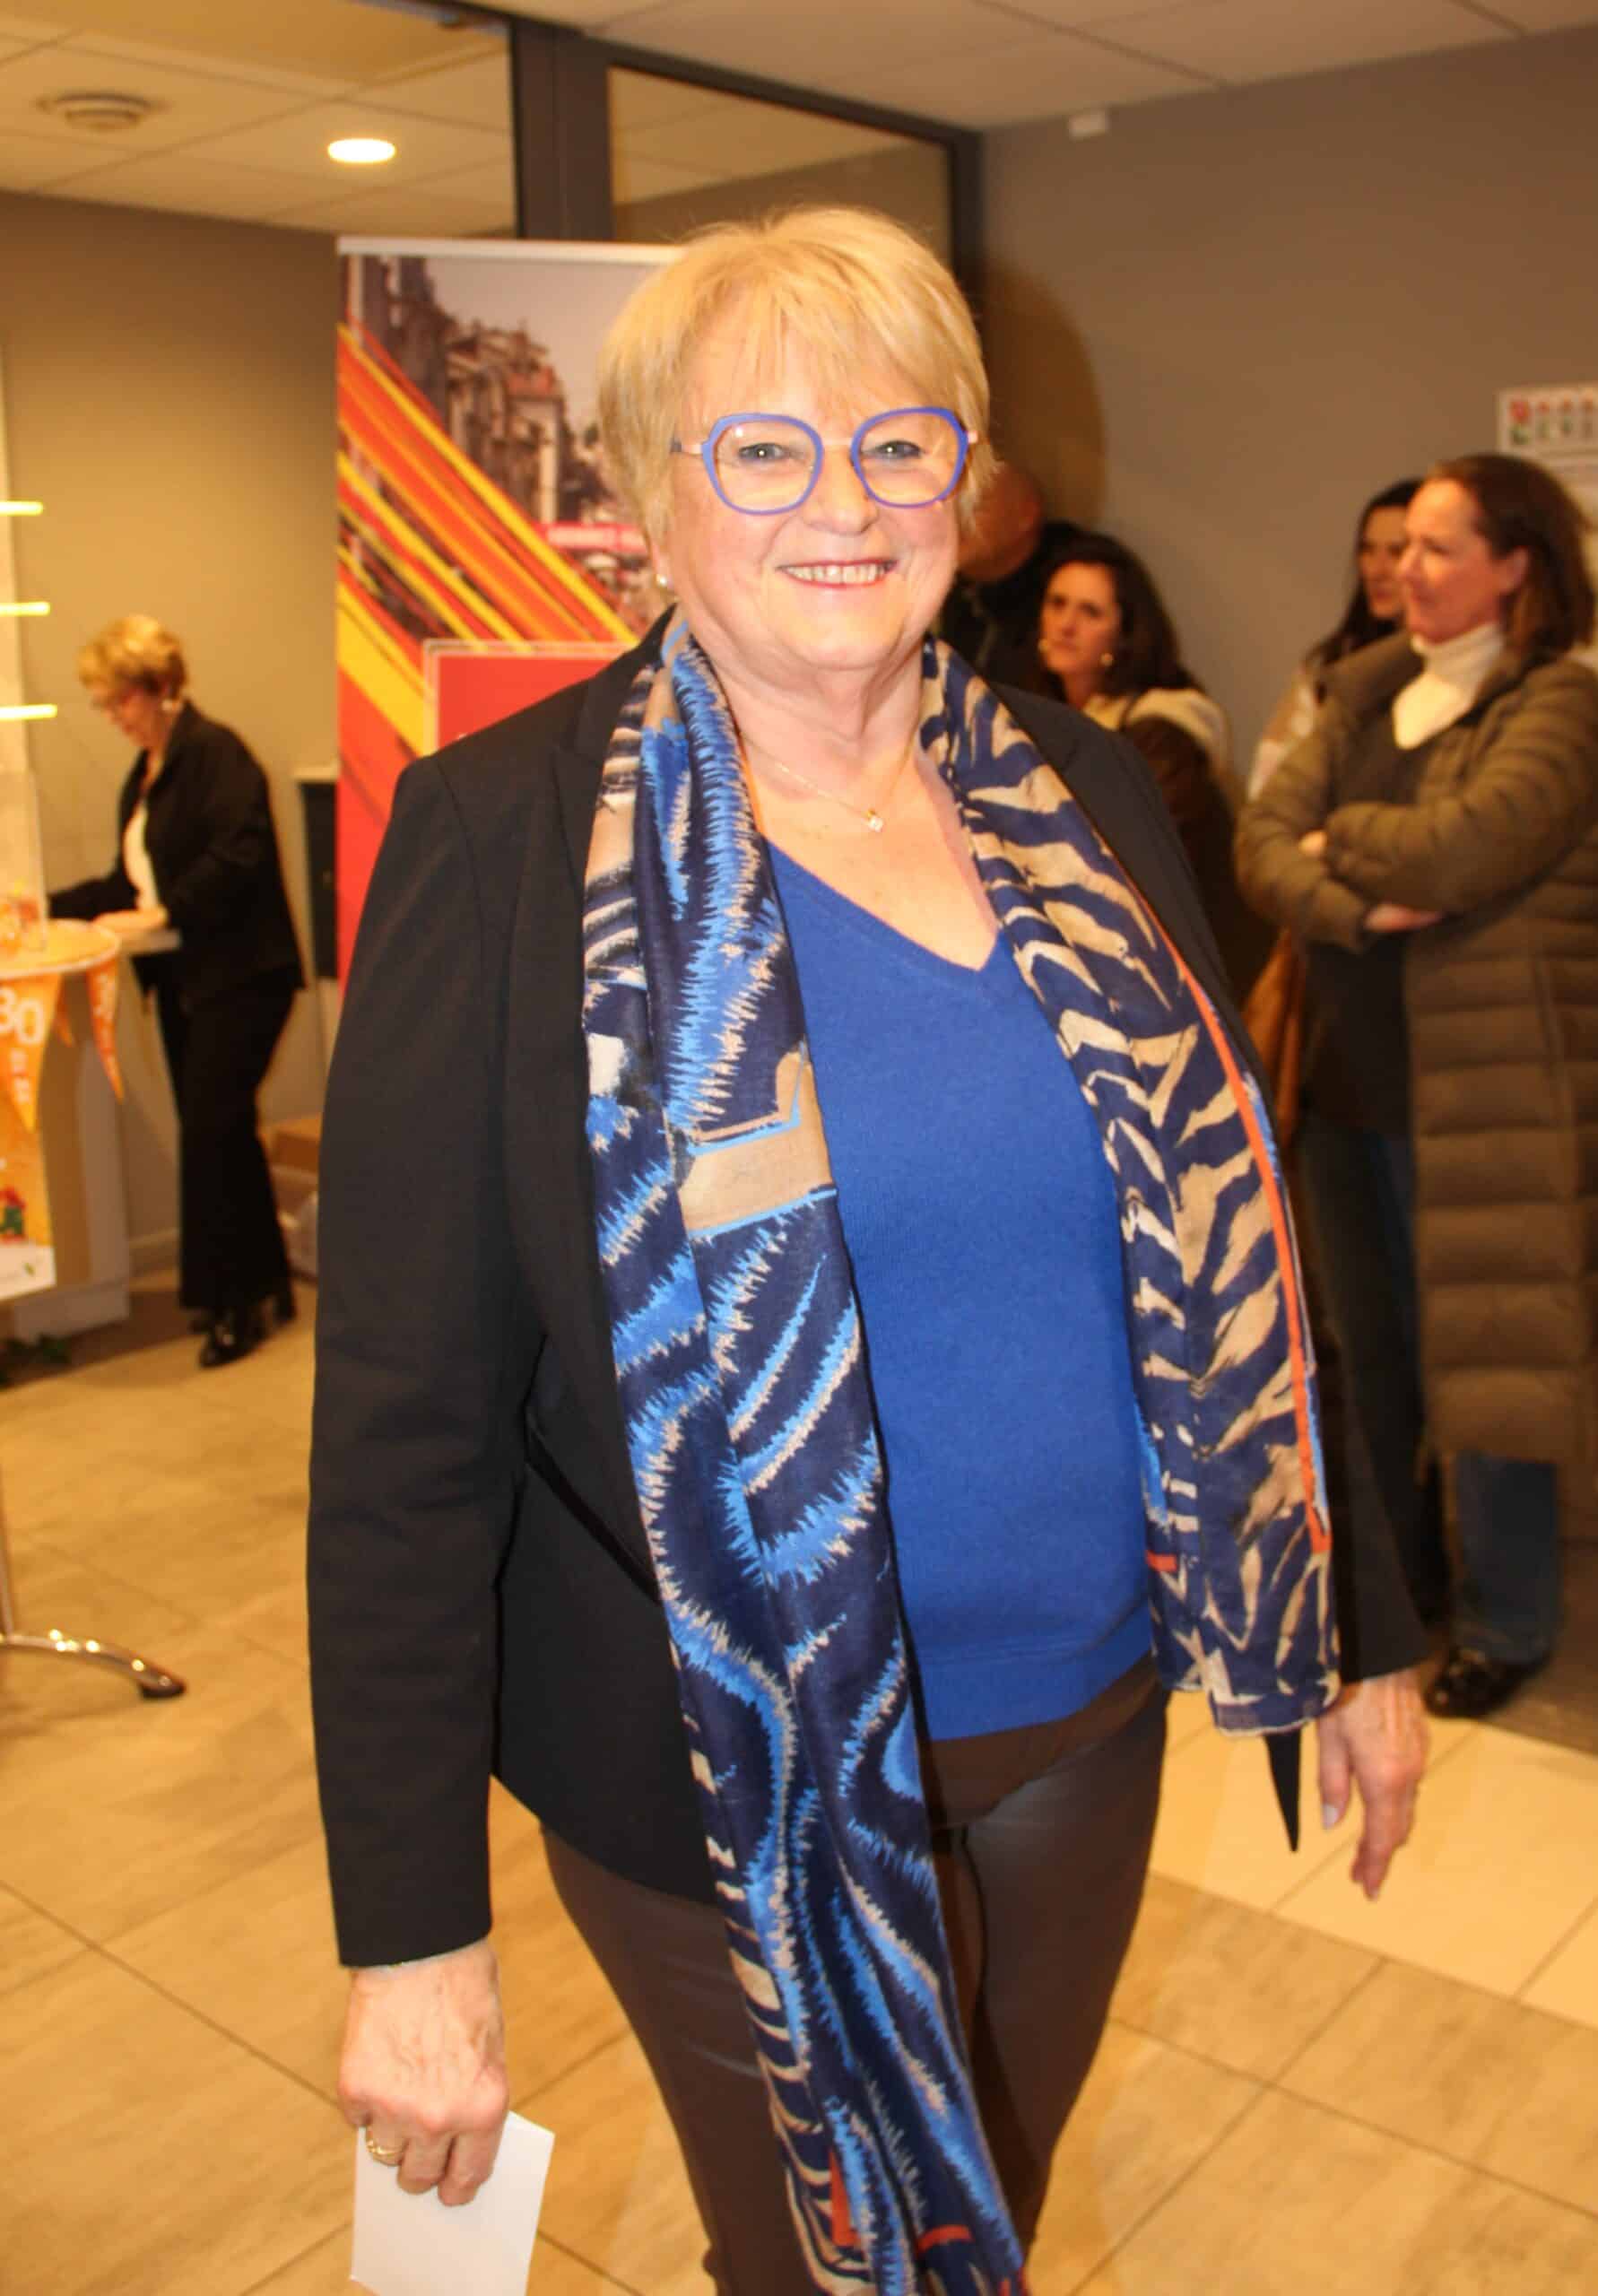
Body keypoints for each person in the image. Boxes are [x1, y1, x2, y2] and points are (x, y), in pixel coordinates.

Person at [308, 207, 1426, 2296]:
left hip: (1080, 1718)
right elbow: (400, 1433)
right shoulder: (502, 839)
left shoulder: (1080, 789)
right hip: (707, 1772)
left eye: (900, 444)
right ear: (649, 498)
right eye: (763, 449)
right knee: (828, 2265)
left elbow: (1244, 1235)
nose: (844, 503)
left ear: (968, 489)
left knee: (986, 2221)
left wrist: (1353, 1609)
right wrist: (412, 1938)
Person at [1236, 453, 1598, 1723]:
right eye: (1401, 548)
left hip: (1486, 1102)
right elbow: (1259, 842)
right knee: (1370, 1366)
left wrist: (1338, 837)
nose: (1406, 569)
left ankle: (1507, 1621)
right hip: (1345, 1089)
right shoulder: (1366, 687)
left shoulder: (1560, 701)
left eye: (1439, 548)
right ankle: (1404, 1599)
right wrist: (1349, 899)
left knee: (1487, 1374)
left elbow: (1464, 846)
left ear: (1516, 565)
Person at [53, 617, 302, 1367]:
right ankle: (264, 1286)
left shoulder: (216, 754)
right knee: (224, 1133)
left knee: (210, 1132)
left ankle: (234, 1306)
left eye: (119, 700)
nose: (112, 716)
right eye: (103, 703)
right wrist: (46, 905)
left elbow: (237, 856)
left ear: (161, 687)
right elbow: (128, 882)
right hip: (188, 983)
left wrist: (165, 913)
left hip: (242, 978)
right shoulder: (147, 773)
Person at [1033, 532, 1270, 994]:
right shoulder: (1034, 717)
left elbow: (1129, 861)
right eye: (1057, 604)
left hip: (1181, 970)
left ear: (1125, 635)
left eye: (1090, 612)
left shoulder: (1162, 735)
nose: (1065, 625)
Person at [1248, 479, 1421, 797]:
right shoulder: (1330, 666)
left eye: (1396, 552)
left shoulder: (1452, 669)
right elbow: (1268, 783)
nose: (1376, 570)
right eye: (1367, 550)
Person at [939, 458, 1082, 688]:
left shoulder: (1068, 588)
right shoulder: (957, 589)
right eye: (952, 508)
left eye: (975, 508)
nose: (956, 521)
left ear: (1026, 514)